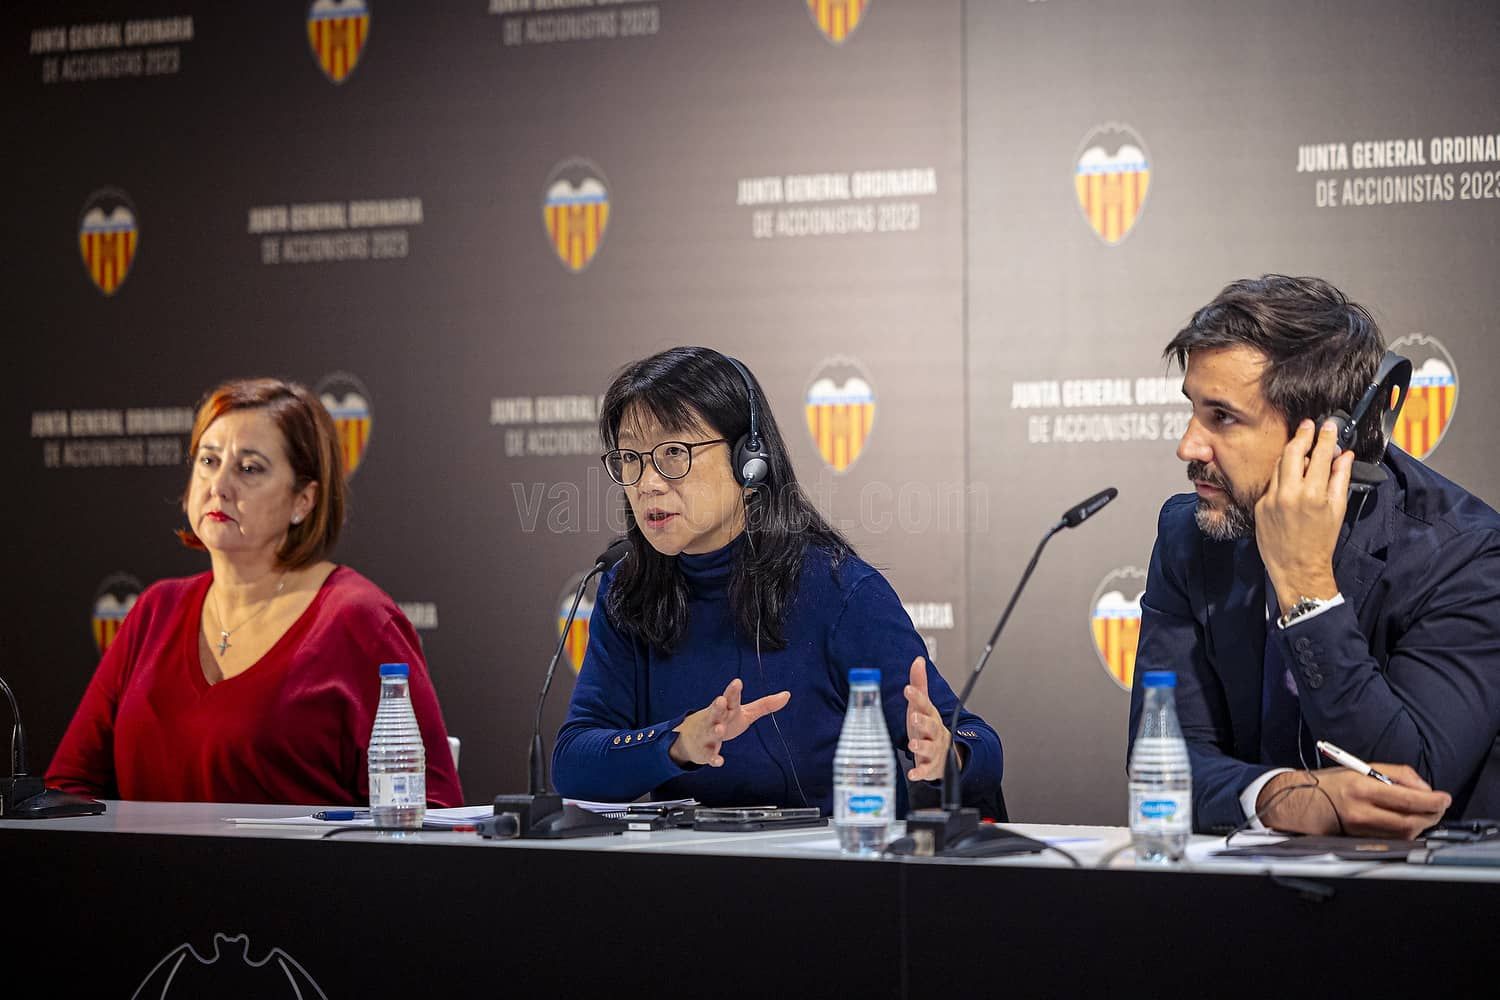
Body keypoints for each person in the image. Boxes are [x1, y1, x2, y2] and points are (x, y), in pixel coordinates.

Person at [552, 347, 1005, 817]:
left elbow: (979, 743)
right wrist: (677, 743)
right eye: (630, 458)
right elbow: (573, 763)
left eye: (673, 453)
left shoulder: (837, 591)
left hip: (828, 876)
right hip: (685, 878)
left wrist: (949, 752)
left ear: (750, 461)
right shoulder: (628, 590)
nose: (646, 483)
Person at [1130, 275, 1500, 838]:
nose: (1188, 446)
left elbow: (1410, 790)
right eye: (1193, 410)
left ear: (1329, 438)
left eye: (1222, 417)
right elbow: (1161, 768)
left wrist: (1306, 590)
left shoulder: (1464, 555)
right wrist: (1278, 797)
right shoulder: (1188, 535)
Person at [47, 377, 464, 807]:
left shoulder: (359, 620)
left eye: (249, 468)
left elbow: (432, 812)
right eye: (209, 461)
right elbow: (68, 787)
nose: (219, 486)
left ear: (303, 500)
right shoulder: (156, 609)